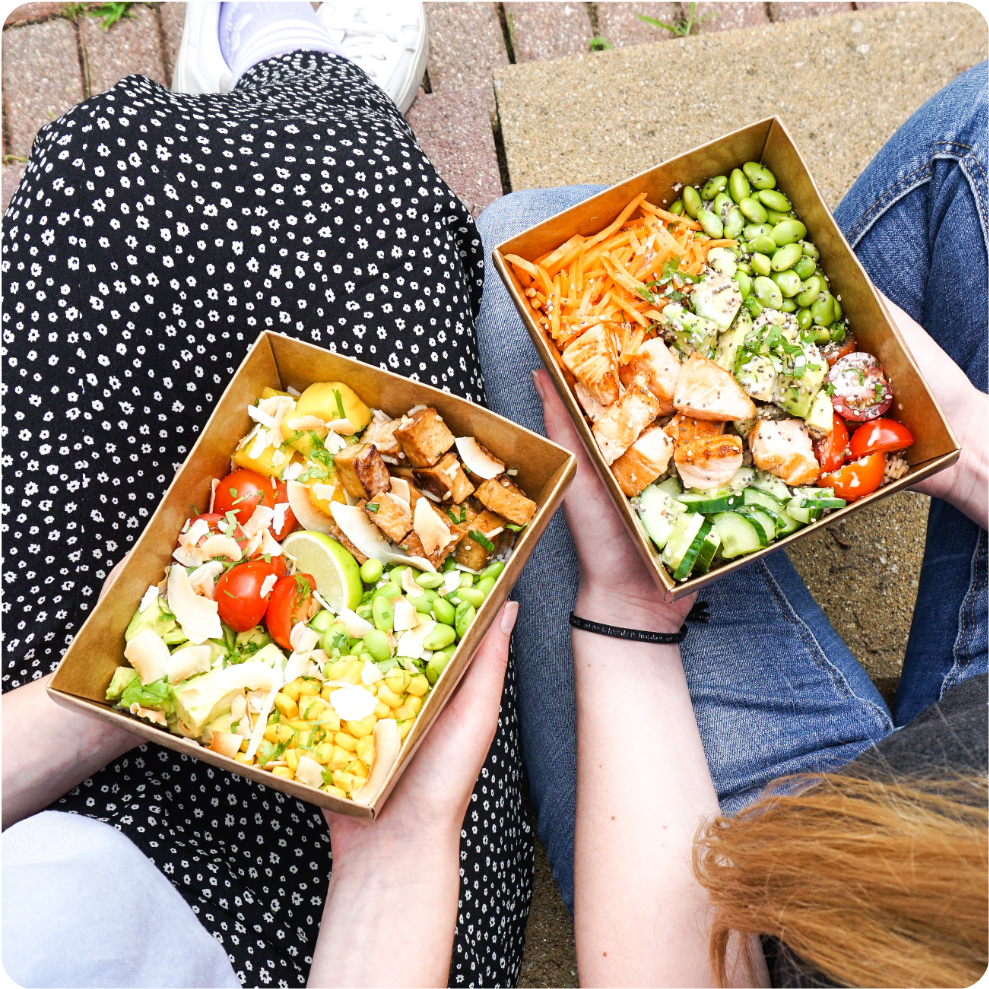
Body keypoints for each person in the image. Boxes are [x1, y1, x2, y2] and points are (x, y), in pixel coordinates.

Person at [2, 4, 533, 987]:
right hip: (335, 929)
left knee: (99, 171)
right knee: (361, 213)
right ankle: (307, 75)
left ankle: (277, 79)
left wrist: (95, 693)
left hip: (44, 764)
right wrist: (399, 843)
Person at [472, 59, 989, 989]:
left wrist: (628, 611)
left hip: (801, 904)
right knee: (979, 134)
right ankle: (816, 317)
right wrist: (972, 451)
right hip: (963, 799)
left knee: (520, 249)